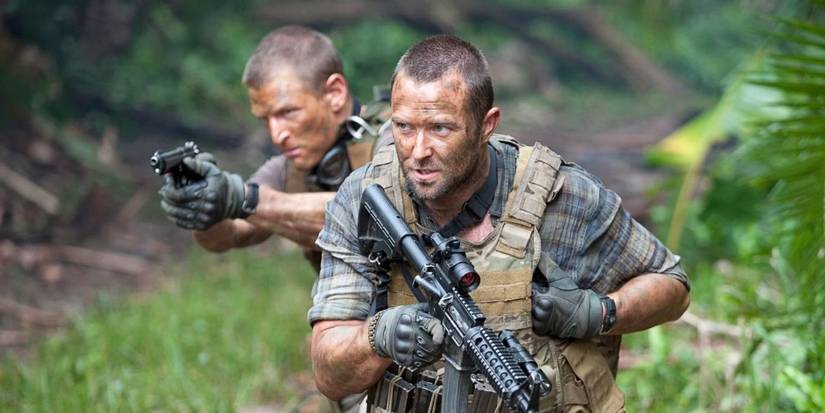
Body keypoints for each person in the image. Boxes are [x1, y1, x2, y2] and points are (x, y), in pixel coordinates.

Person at [308, 34, 690, 412]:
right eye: (404, 127)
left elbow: (672, 285)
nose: (418, 151)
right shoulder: (366, 196)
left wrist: (600, 313)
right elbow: (329, 374)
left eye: (440, 128)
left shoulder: (563, 196)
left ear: (486, 124)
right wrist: (377, 339)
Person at [157, 26, 390, 270]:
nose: (277, 135)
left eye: (288, 112)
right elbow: (231, 234)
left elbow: (377, 211)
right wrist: (202, 207)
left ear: (335, 93)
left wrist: (244, 198)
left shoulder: (399, 134)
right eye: (265, 119)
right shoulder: (290, 169)